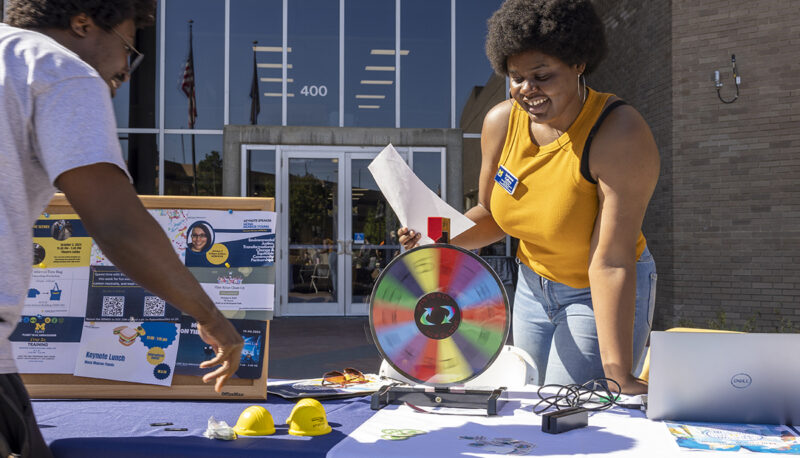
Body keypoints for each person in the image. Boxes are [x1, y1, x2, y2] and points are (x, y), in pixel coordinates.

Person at [0, 1, 243, 456]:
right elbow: (117, 224)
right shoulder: (57, 68)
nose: (125, 72)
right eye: (128, 49)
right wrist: (213, 319)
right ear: (82, 23)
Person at [400, 0, 659, 395]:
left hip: (596, 289)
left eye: (541, 76)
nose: (526, 91)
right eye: (515, 77)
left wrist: (618, 372)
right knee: (527, 398)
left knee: (567, 406)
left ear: (578, 64)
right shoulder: (501, 123)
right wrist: (434, 233)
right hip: (531, 288)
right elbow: (492, 215)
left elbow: (611, 260)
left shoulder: (618, 132)